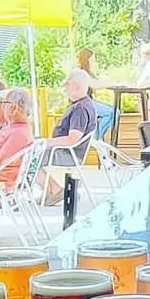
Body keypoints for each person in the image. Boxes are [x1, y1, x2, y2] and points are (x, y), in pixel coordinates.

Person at [36, 68, 98, 206]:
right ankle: (51, 190)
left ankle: (54, 190)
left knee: (30, 158)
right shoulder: (82, 104)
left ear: (76, 86)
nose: (65, 88)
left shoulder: (80, 108)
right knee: (32, 152)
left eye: (67, 84)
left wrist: (47, 143)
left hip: (69, 153)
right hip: (66, 151)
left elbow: (73, 139)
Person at [0, 87, 35, 192]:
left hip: (0, 179)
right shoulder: (15, 127)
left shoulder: (18, 133)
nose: (2, 107)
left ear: (14, 107)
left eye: (5, 103)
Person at [76, 48, 115, 139]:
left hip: (87, 102)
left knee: (114, 111)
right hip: (83, 104)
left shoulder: (87, 73)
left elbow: (97, 82)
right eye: (92, 60)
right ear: (87, 60)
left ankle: (97, 135)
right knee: (112, 112)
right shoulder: (80, 72)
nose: (94, 62)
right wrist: (111, 83)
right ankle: (97, 137)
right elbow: (94, 85)